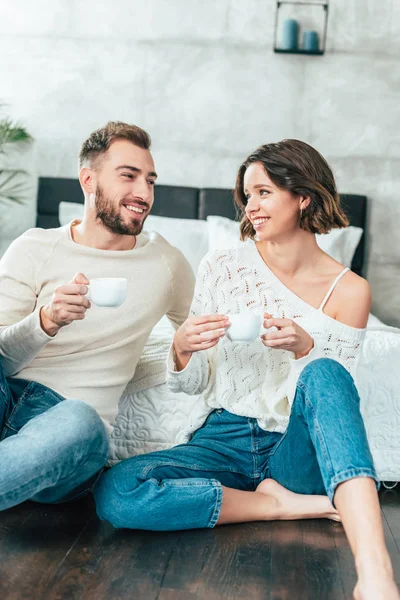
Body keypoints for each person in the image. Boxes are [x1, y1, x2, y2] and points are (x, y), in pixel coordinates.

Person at [94, 139, 399, 600]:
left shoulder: (351, 290)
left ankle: (375, 572)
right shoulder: (223, 266)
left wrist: (306, 348)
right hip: (224, 439)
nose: (250, 207)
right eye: (247, 195)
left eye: (263, 193)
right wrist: (180, 349)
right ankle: (276, 506)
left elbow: (333, 399)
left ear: (303, 197)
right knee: (117, 492)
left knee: (326, 372)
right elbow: (196, 383)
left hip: (295, 452)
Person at [0, 121, 195, 511]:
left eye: (151, 181)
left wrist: (185, 352)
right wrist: (46, 322)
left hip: (71, 431)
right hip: (9, 398)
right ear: (88, 180)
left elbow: (202, 341)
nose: (144, 193)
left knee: (79, 418)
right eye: (129, 176)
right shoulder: (34, 247)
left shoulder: (165, 263)